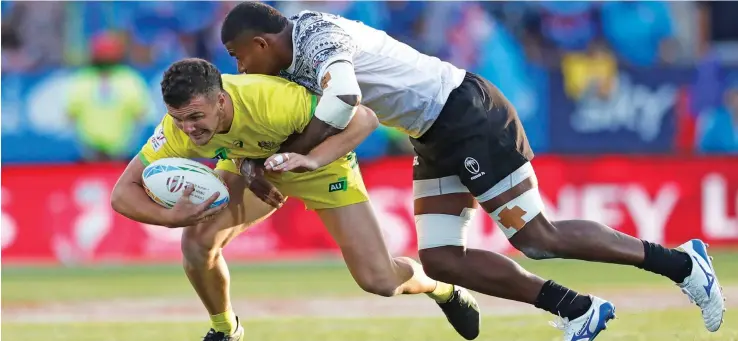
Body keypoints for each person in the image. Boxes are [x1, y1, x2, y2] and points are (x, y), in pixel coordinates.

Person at [219, 2, 726, 340]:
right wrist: (257, 158)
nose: (239, 69)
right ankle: (578, 309)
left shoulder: (316, 37)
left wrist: (304, 157)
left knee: (536, 236)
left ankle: (681, 265)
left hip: (465, 113)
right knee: (441, 259)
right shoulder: (288, 61)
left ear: (261, 43)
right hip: (433, 132)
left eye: (237, 57)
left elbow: (348, 101)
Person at [110, 58, 480, 341]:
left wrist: (310, 160)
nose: (189, 129)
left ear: (221, 101)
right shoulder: (177, 130)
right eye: (179, 119)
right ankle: (226, 329)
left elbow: (363, 120)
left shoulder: (272, 100)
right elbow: (122, 193)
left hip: (322, 164)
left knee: (379, 280)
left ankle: (443, 288)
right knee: (196, 242)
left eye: (195, 117)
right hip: (256, 168)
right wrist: (170, 217)